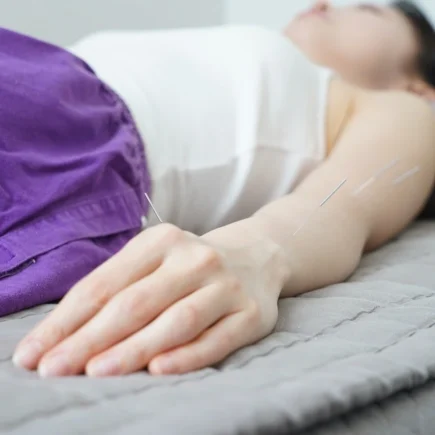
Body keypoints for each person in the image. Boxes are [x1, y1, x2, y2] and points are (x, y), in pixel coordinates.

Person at [8, 1, 435, 379]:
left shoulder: (407, 111)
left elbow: (343, 206)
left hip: (61, 139)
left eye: (369, 10)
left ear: (420, 87)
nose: (323, 3)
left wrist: (254, 252)